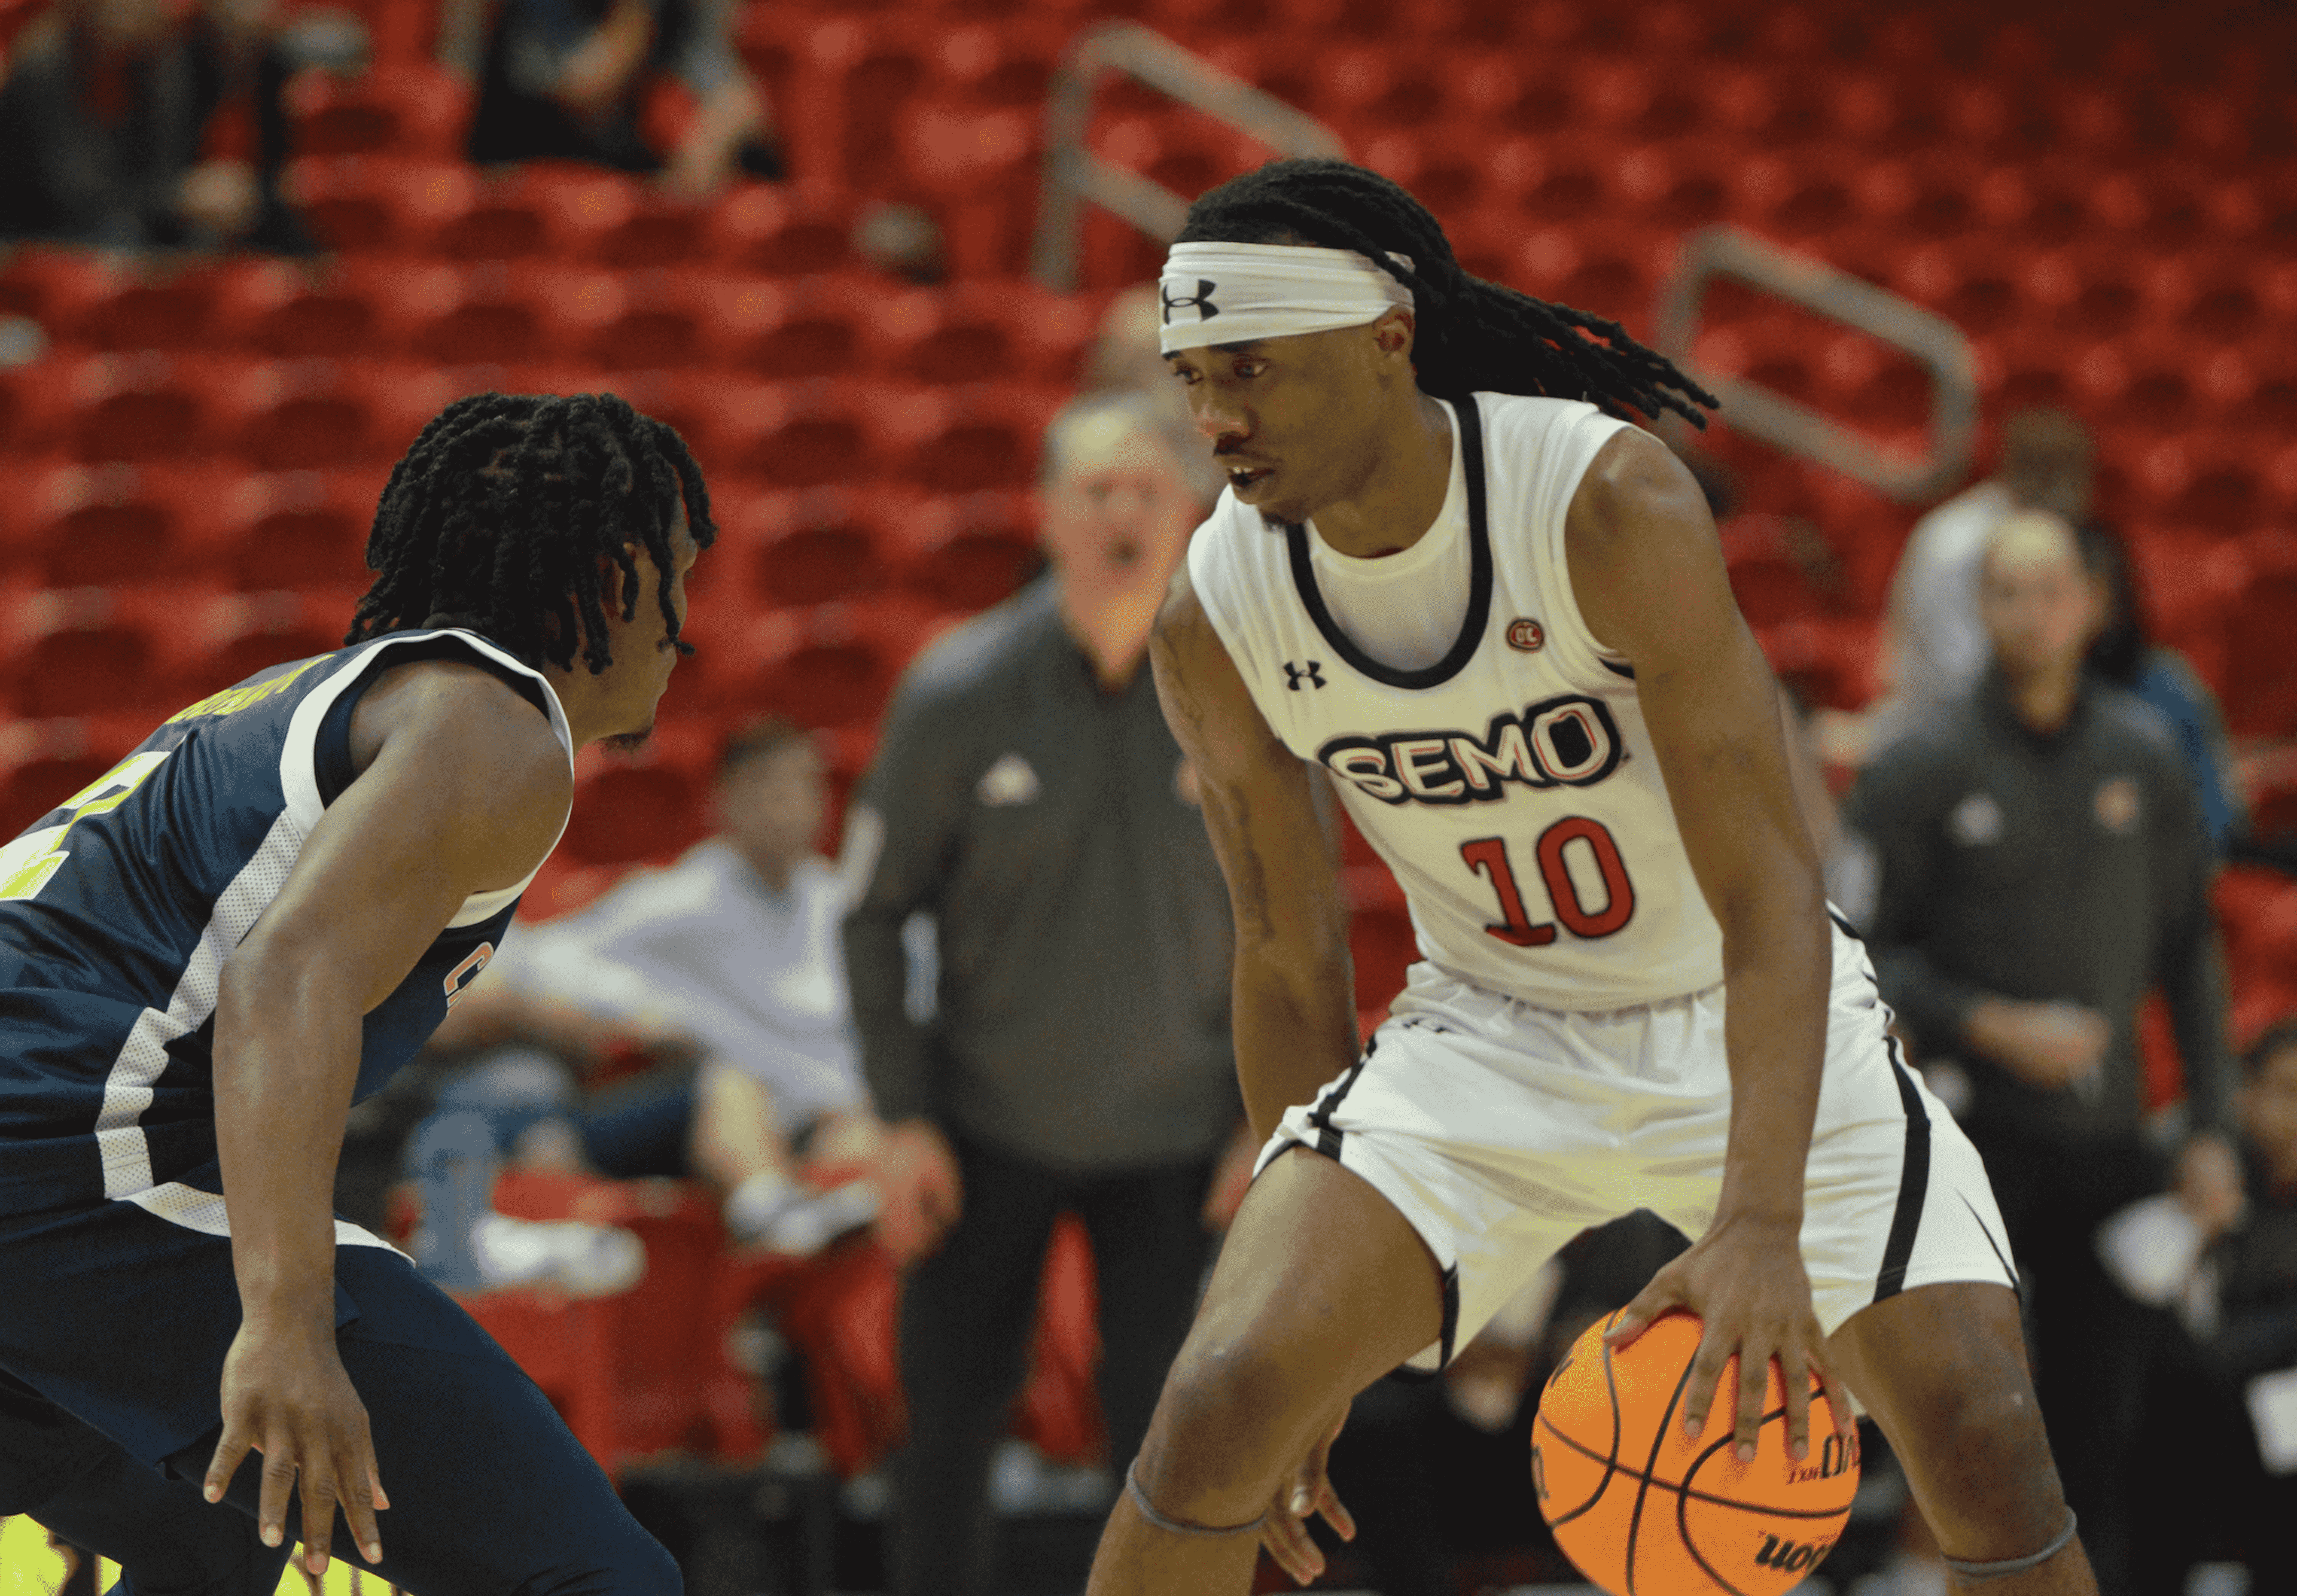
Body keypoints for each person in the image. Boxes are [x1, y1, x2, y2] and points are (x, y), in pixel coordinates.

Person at [1089, 157, 2094, 1596]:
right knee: (1218, 1400)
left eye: (1248, 369)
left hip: (1731, 1003)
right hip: (1482, 1034)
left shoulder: (1599, 501)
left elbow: (1767, 886)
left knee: (1985, 1437)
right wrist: (1299, 1314)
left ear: (1385, 341)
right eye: (1193, 378)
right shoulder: (1217, 605)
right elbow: (1285, 960)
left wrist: (1758, 1223)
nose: (1213, 420)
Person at [0, 391, 711, 1593]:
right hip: (70, 1157)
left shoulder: (332, 693)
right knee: (594, 1577)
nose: (689, 633)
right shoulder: (496, 728)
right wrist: (285, 1321)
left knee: (214, 1527)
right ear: (624, 571)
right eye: (685, 579)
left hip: (50, 1156)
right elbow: (288, 972)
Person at [844, 391, 1254, 1596]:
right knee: (949, 1431)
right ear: (1047, 513)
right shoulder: (957, 692)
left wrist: (1265, 1115)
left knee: (1180, 1440)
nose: (1122, 511)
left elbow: (1302, 924)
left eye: (1145, 489)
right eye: (1095, 490)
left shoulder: (1250, 688)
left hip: (1183, 1140)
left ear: (1191, 511)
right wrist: (900, 1112)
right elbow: (871, 909)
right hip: (983, 1125)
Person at [1844, 509, 2237, 1594]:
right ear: (1981, 607)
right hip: (1972, 1146)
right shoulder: (1920, 759)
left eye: (2052, 587)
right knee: (1982, 1416)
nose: (2031, 611)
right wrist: (1986, 1019)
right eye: (2008, 590)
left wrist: (2211, 1125)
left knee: (2104, 1411)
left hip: (2112, 1140)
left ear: (2095, 603)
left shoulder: (2145, 756)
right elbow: (1857, 944)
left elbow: (2191, 952)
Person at [425, 716, 882, 1255]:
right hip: (700, 1113)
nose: (791, 807)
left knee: (884, 1143)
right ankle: (769, 1212)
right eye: (771, 788)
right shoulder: (682, 901)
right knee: (731, 1086)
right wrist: (629, 1021)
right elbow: (538, 961)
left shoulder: (838, 906)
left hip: (823, 1118)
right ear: (726, 801)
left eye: (806, 787)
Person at [0, 0, 307, 250]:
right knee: (123, 237)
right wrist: (180, 198)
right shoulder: (44, 68)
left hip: (130, 219)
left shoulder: (155, 64)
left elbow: (166, 168)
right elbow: (75, 194)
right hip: (44, 236)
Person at [1872, 408, 2095, 740]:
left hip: (2003, 727)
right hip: (1934, 728)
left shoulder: (2039, 533)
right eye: (2064, 478)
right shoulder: (1956, 542)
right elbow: (1955, 672)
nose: (2077, 495)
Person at [467, 0, 778, 196]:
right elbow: (586, 89)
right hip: (529, 169)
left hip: (639, 178)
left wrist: (712, 135)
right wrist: (634, 20)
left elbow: (738, 94)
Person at [2076, 521, 2248, 860]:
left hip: (2161, 876)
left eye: (2097, 586)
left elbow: (2217, 808)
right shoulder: (2026, 698)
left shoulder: (2167, 682)